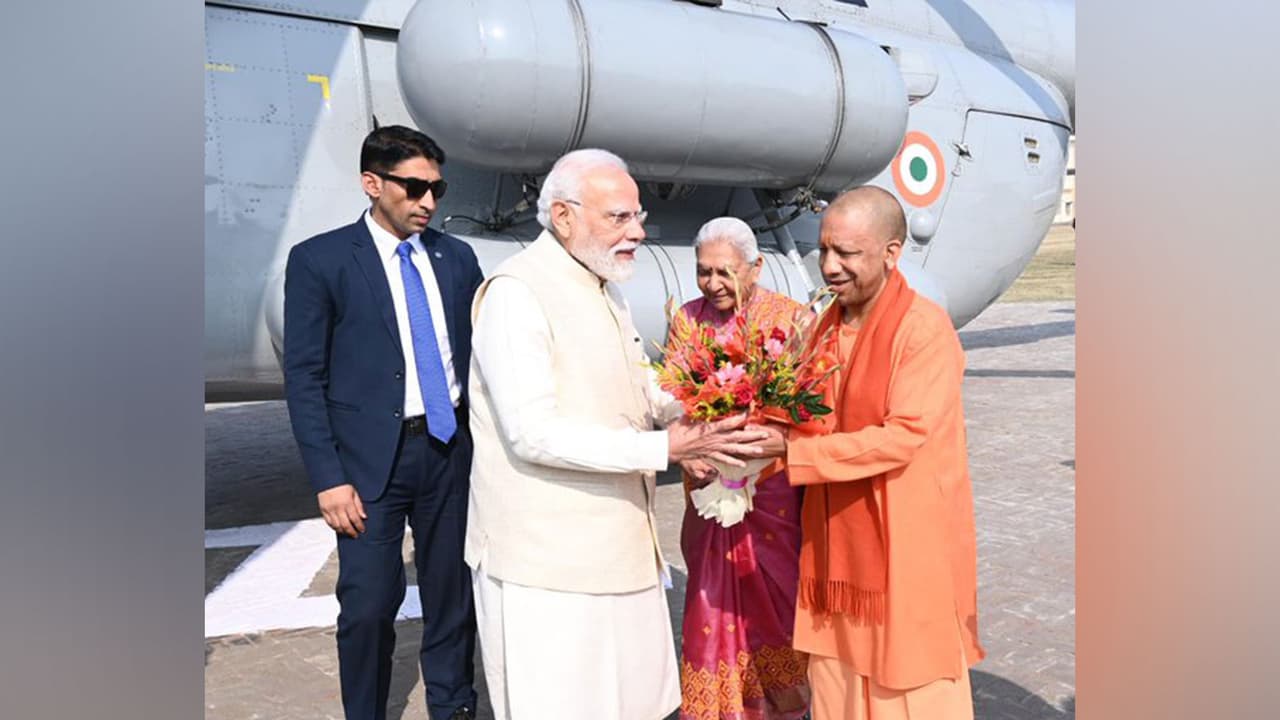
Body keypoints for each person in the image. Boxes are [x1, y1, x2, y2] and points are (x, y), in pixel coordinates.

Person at [465, 149, 768, 720]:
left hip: (620, 549)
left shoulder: (603, 285)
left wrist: (704, 407)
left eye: (638, 216)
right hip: (547, 568)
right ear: (563, 217)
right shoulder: (516, 294)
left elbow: (636, 382)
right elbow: (532, 432)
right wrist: (667, 449)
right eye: (619, 218)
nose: (638, 232)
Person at [750, 186, 985, 720]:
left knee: (909, 678)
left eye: (847, 254)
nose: (829, 267)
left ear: (891, 252)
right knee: (835, 673)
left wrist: (794, 453)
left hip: (904, 539)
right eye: (824, 250)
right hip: (835, 542)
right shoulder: (824, 326)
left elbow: (902, 436)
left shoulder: (923, 330)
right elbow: (805, 411)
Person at [283, 125, 482, 720]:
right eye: (415, 187)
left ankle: (454, 707)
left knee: (452, 597)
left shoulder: (455, 258)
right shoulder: (320, 261)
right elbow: (304, 377)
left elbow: (478, 358)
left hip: (449, 453)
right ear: (372, 183)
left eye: (437, 188)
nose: (428, 202)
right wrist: (327, 478)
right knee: (368, 604)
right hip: (370, 466)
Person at [674, 217, 811, 720]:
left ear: (755, 267)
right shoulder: (687, 319)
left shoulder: (791, 319)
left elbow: (809, 408)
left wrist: (767, 447)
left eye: (724, 272)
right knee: (711, 598)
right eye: (703, 271)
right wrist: (700, 454)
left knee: (776, 599)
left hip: (773, 493)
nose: (712, 284)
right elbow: (677, 399)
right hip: (709, 486)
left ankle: (782, 705)